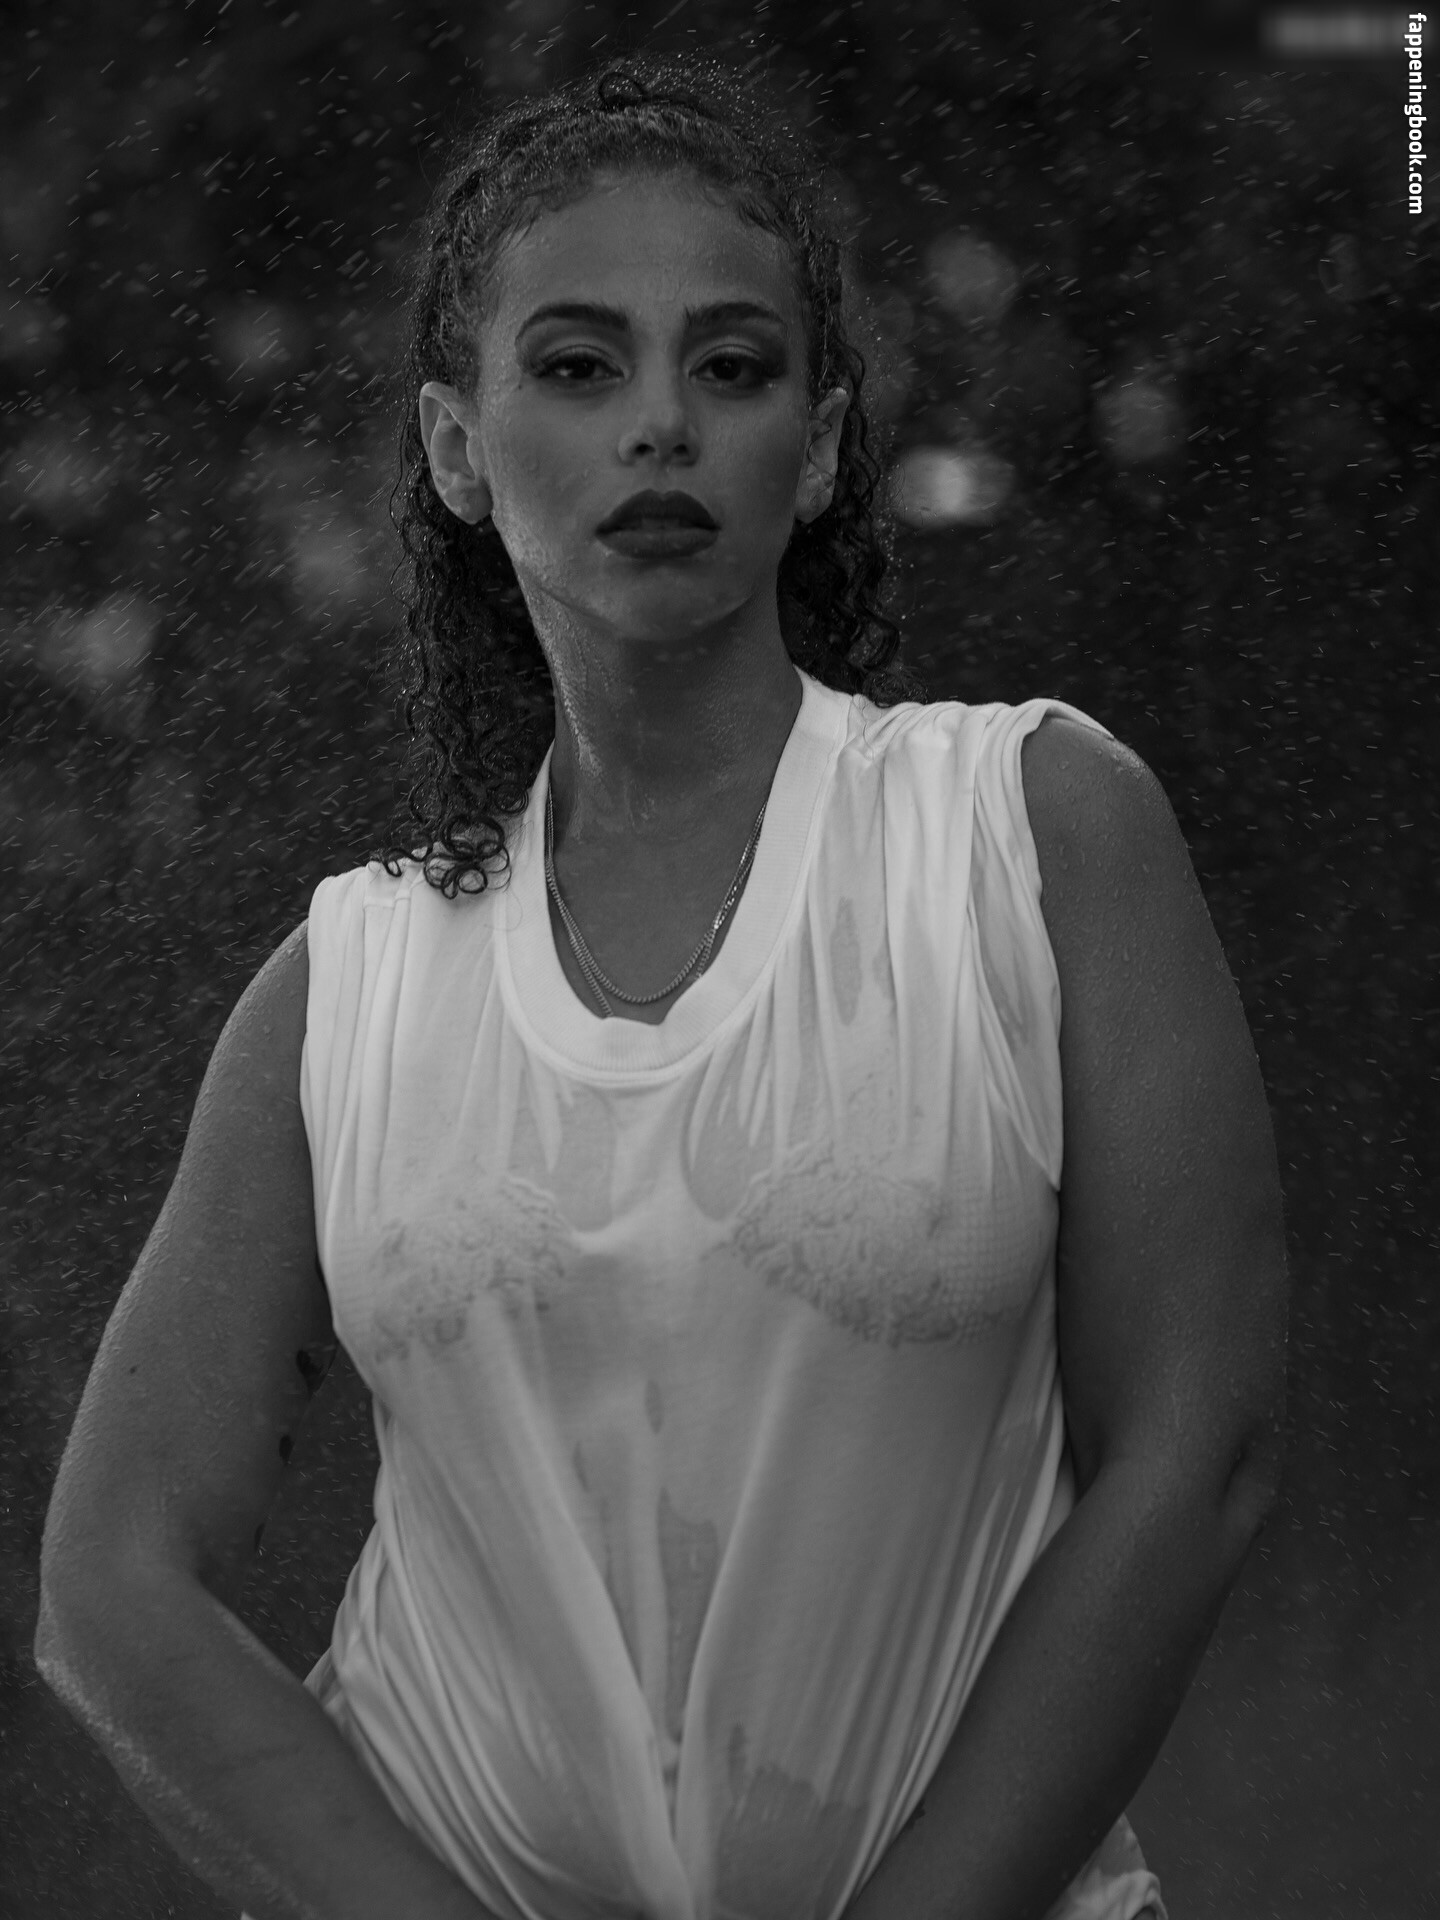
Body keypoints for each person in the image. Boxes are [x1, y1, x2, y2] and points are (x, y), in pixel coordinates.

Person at [34, 50, 1289, 1920]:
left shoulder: (1032, 833)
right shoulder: (341, 988)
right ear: (456, 450)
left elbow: (1197, 1455)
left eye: (732, 367)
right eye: (576, 366)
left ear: (824, 442)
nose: (659, 427)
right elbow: (111, 1582)